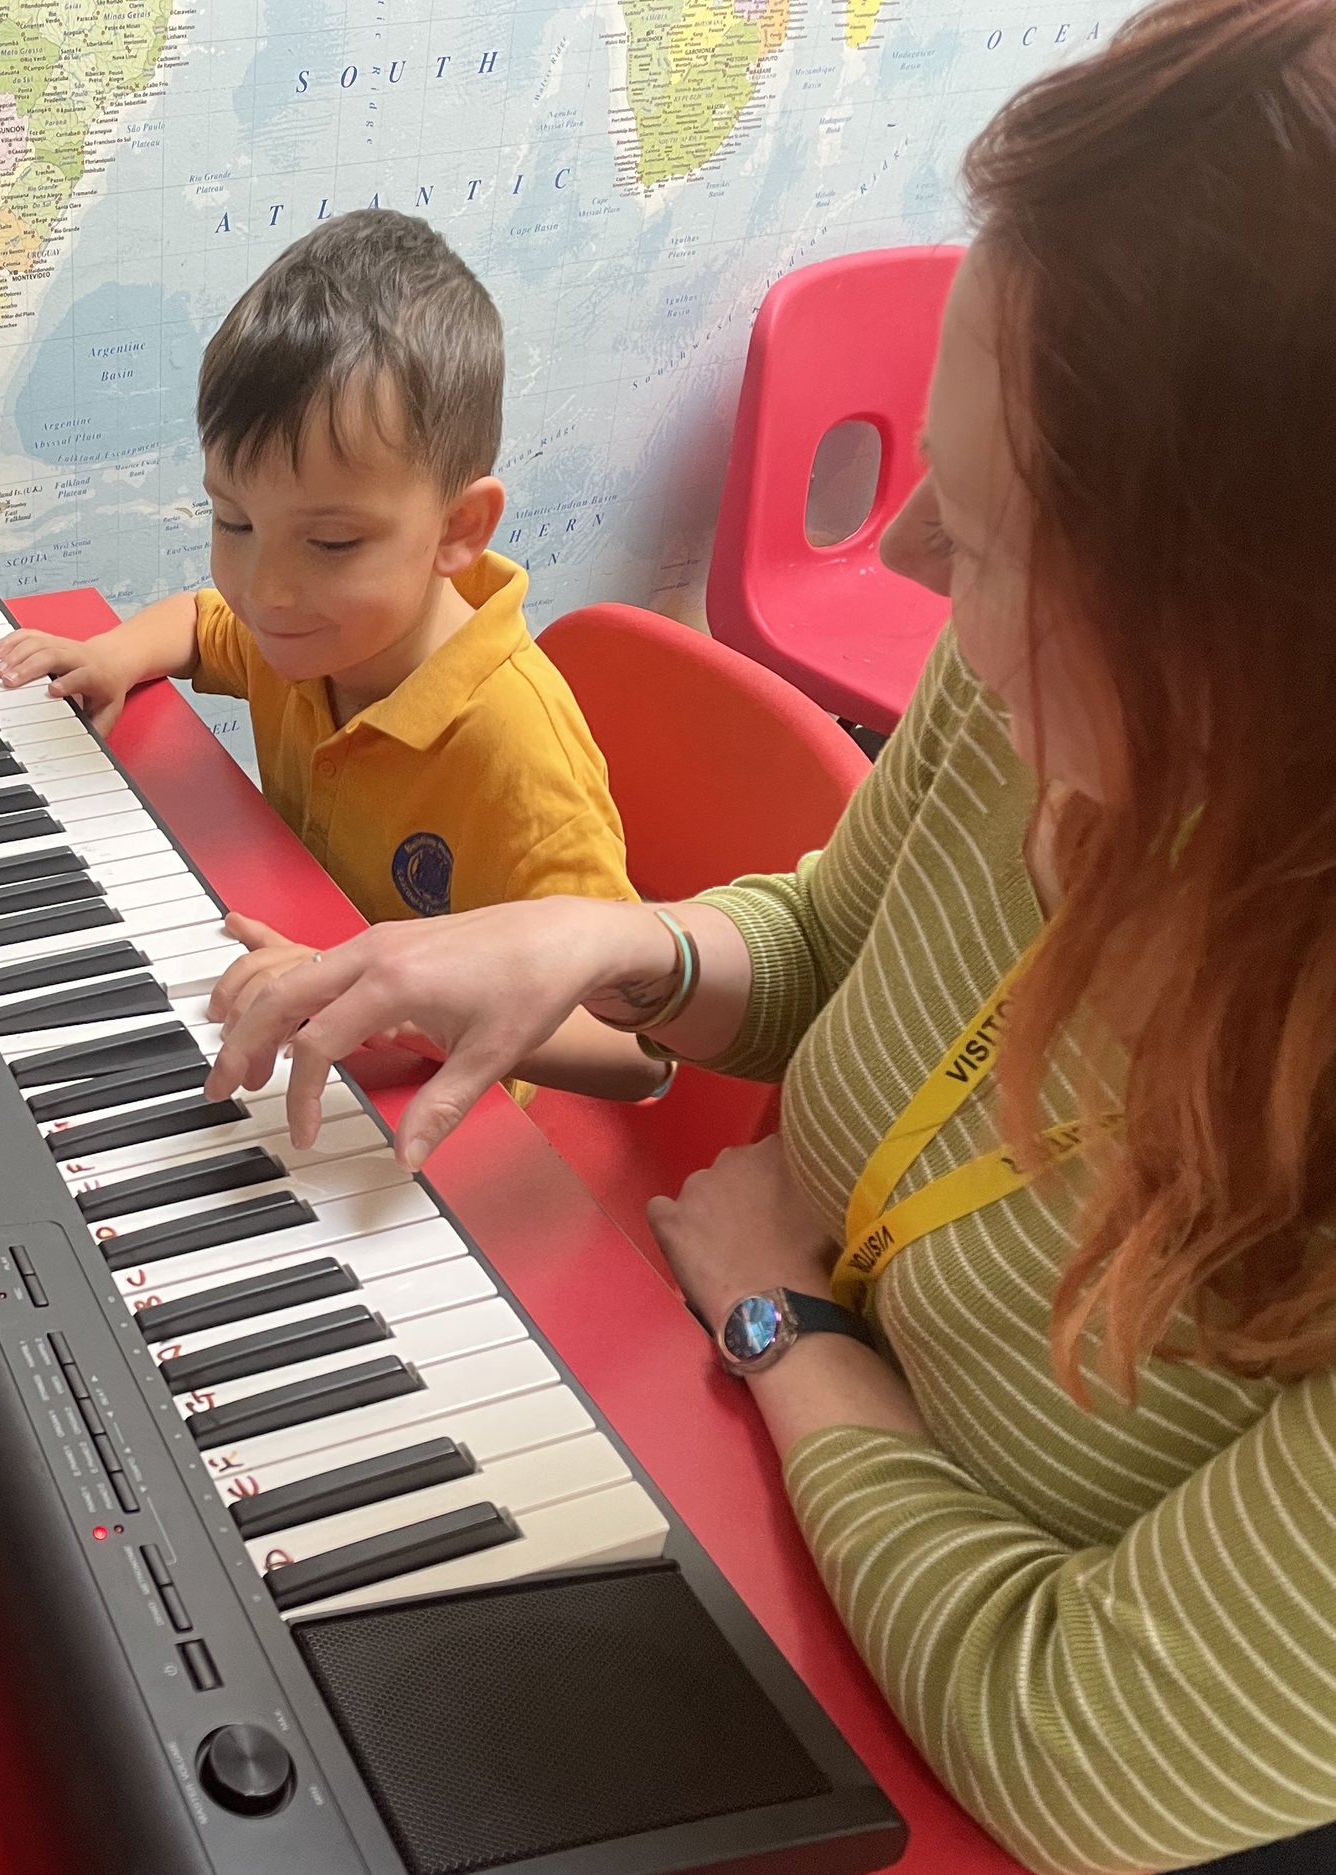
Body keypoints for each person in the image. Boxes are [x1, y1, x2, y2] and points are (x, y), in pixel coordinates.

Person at [198, 3, 1336, 1871]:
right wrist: (598, 944)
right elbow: (829, 935)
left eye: (984, 539)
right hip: (764, 1459)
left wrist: (783, 1322)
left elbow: (1083, 1753)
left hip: (959, 1726)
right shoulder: (1037, 695)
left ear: (1259, 643)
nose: (899, 578)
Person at [0, 208, 660, 1098]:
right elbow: (198, 624)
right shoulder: (304, 635)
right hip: (309, 999)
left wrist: (412, 1006)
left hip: (435, 1103)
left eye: (333, 544)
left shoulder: (518, 755)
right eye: (234, 521)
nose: (264, 588)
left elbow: (637, 1051)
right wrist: (114, 653)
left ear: (458, 529)